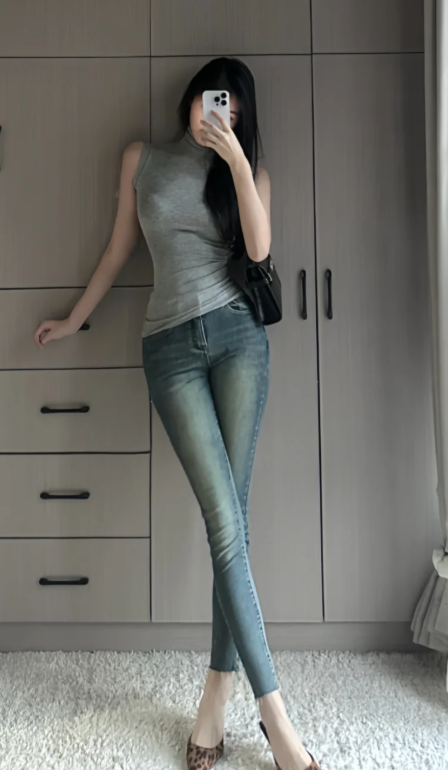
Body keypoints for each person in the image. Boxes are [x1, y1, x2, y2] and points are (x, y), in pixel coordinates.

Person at [34, 56, 322, 770]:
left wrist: (235, 161)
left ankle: (233, 702)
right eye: (210, 100)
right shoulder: (143, 159)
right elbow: (118, 249)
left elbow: (259, 248)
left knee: (232, 524)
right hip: (168, 350)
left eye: (233, 111)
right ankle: (267, 715)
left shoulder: (249, 173)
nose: (217, 115)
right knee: (226, 523)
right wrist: (74, 319)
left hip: (239, 342)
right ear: (192, 98)